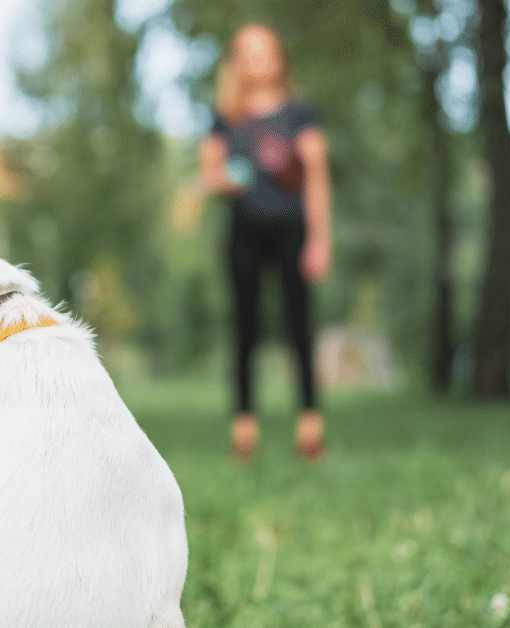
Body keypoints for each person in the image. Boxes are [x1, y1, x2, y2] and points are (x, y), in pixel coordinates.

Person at [199, 23, 332, 461]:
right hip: (245, 232)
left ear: (278, 57)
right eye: (249, 52)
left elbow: (316, 178)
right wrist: (227, 179)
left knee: (299, 327)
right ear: (237, 63)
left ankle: (310, 426)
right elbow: (209, 173)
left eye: (266, 50)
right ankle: (244, 429)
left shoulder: (299, 113)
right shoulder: (227, 117)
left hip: (291, 229)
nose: (260, 59)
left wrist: (320, 240)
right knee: (245, 329)